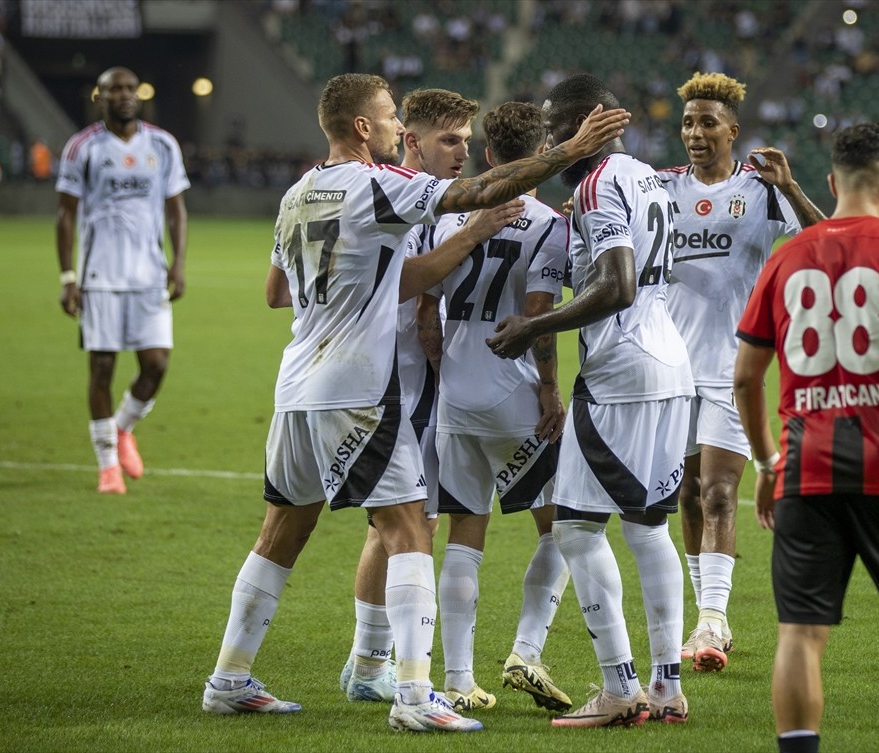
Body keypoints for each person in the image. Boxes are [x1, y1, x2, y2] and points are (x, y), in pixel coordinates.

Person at [199, 72, 629, 733]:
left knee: (281, 531)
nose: (400, 126)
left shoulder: (299, 192)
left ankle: (229, 676)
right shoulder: (383, 185)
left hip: (296, 385)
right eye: (390, 115)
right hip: (357, 388)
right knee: (408, 531)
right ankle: (415, 692)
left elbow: (276, 291)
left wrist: (355, 285)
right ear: (363, 128)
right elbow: (483, 189)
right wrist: (570, 151)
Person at [733, 122, 879, 753]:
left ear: (833, 182)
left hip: (805, 465)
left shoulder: (786, 256)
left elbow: (745, 377)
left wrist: (766, 463)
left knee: (800, 634)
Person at [488, 73, 694, 729]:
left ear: (591, 121)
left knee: (577, 527)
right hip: (672, 364)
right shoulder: (647, 178)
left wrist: (533, 327)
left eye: (560, 127)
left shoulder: (597, 184)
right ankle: (666, 687)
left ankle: (618, 687)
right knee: (648, 526)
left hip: (621, 370)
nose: (553, 141)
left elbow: (618, 285)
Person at [659, 71, 824, 672]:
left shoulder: (760, 189)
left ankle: (711, 621)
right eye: (687, 122)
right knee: (686, 494)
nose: (695, 133)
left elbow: (822, 239)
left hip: (733, 365)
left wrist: (792, 185)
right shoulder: (661, 187)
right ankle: (707, 618)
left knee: (720, 490)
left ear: (733, 129)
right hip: (670, 365)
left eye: (707, 122)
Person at [336, 86, 489, 705]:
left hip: (381, 376)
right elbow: (413, 292)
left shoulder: (412, 194)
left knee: (389, 521)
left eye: (467, 142)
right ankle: (406, 678)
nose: (461, 152)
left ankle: (366, 662)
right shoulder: (402, 193)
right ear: (412, 141)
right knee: (411, 521)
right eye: (449, 140)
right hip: (398, 378)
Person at [425, 101, 572, 713]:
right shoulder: (548, 223)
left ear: (488, 156)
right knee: (565, 528)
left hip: (456, 394)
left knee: (464, 534)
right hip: (515, 394)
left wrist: (446, 377)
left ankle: (458, 680)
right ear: (541, 154)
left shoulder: (450, 218)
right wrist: (548, 386)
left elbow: (423, 319)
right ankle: (525, 651)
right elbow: (538, 315)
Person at [56, 67, 189, 494]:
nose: (125, 95)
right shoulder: (83, 147)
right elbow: (65, 214)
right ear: (101, 96)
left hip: (149, 275)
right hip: (100, 277)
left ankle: (122, 427)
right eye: (116, 89)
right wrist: (68, 276)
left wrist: (178, 263)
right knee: (103, 369)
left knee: (156, 364)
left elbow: (176, 209)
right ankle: (107, 466)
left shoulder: (163, 144)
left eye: (131, 88)